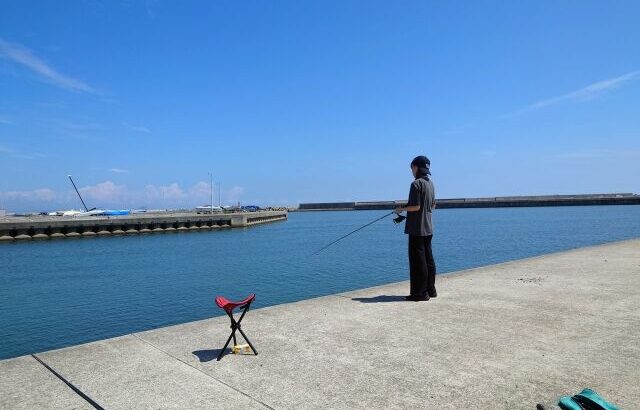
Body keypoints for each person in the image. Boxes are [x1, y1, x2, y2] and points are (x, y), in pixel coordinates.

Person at [394, 155, 437, 301]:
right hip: (429, 227)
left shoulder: (416, 184)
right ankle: (431, 290)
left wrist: (401, 209)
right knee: (428, 259)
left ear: (416, 167)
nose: (411, 171)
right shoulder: (430, 183)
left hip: (417, 229)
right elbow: (433, 205)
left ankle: (420, 293)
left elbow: (416, 206)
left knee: (418, 261)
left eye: (412, 168)